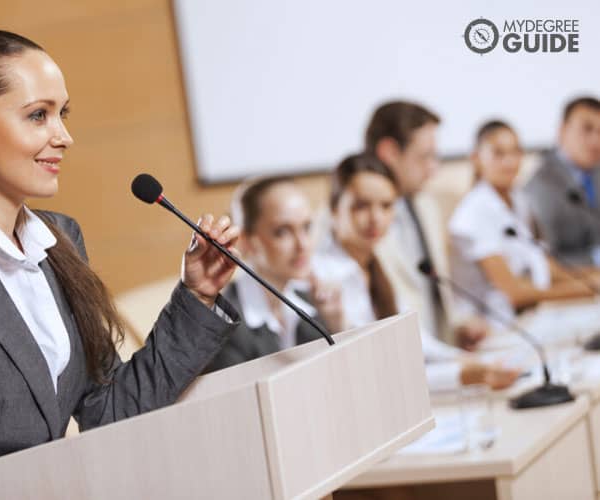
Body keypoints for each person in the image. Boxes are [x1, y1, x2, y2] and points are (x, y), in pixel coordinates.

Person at [0, 30, 241, 500]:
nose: (63, 136)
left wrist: (197, 292)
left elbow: (110, 408)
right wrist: (52, 483)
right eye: (38, 116)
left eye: (62, 114)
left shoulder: (60, 242)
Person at [313, 153, 520, 391]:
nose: (376, 218)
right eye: (361, 206)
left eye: (386, 206)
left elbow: (416, 342)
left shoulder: (376, 264)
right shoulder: (326, 277)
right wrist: (464, 373)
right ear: (334, 208)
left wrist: (470, 362)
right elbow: (376, 374)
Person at [367, 101, 490, 351]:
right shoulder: (355, 223)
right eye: (425, 157)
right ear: (389, 152)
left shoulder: (425, 204)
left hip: (439, 361)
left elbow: (429, 292)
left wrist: (456, 328)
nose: (433, 169)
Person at [449, 120, 596, 322]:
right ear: (476, 158)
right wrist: (587, 289)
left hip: (532, 317)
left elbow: (546, 267)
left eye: (516, 152)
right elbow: (514, 294)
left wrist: (592, 277)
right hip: (496, 329)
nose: (510, 162)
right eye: (498, 154)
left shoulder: (518, 199)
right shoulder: (472, 215)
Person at [206, 176, 343, 371]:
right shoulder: (223, 326)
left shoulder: (311, 301)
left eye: (306, 227)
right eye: (282, 232)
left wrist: (336, 325)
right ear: (246, 241)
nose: (303, 244)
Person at [523, 96, 600, 266]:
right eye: (587, 129)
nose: (596, 141)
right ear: (562, 131)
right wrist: (594, 259)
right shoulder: (541, 185)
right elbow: (546, 259)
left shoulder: (596, 173)